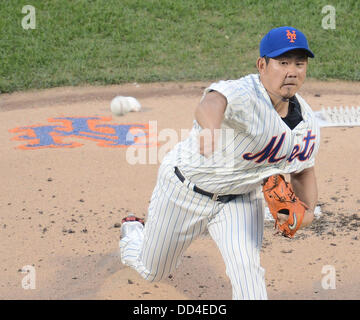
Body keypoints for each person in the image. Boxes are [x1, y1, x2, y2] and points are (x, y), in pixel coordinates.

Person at [119, 26, 320, 300]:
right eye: (283, 62)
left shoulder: (307, 123)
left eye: (300, 63)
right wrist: (211, 129)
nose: (292, 71)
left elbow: (303, 170)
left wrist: (304, 215)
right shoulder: (244, 92)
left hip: (238, 201)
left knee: (247, 271)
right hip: (183, 191)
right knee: (152, 270)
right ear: (262, 65)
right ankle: (132, 232)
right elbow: (212, 101)